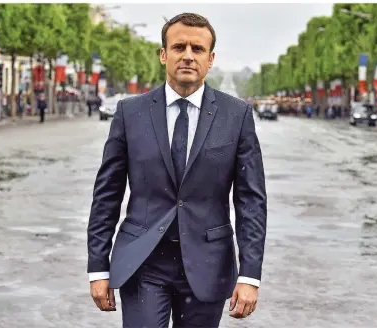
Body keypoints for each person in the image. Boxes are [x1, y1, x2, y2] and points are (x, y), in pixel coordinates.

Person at [87, 13, 267, 328]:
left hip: (208, 264)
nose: (187, 55)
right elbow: (107, 194)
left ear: (210, 59)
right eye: (178, 47)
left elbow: (251, 201)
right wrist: (98, 268)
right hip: (143, 263)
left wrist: (250, 275)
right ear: (163, 54)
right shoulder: (130, 113)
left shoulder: (236, 116)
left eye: (197, 49)